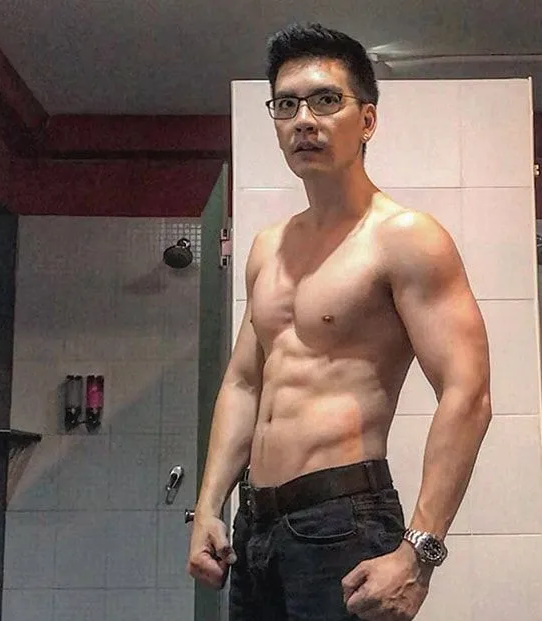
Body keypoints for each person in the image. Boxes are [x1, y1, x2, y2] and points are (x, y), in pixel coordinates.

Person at [187, 22, 492, 621]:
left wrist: (419, 552)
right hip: (255, 528)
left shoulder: (404, 237)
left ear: (367, 120)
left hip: (343, 520)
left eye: (326, 100)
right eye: (286, 104)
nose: (304, 119)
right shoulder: (268, 248)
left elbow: (469, 394)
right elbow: (244, 383)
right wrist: (208, 505)